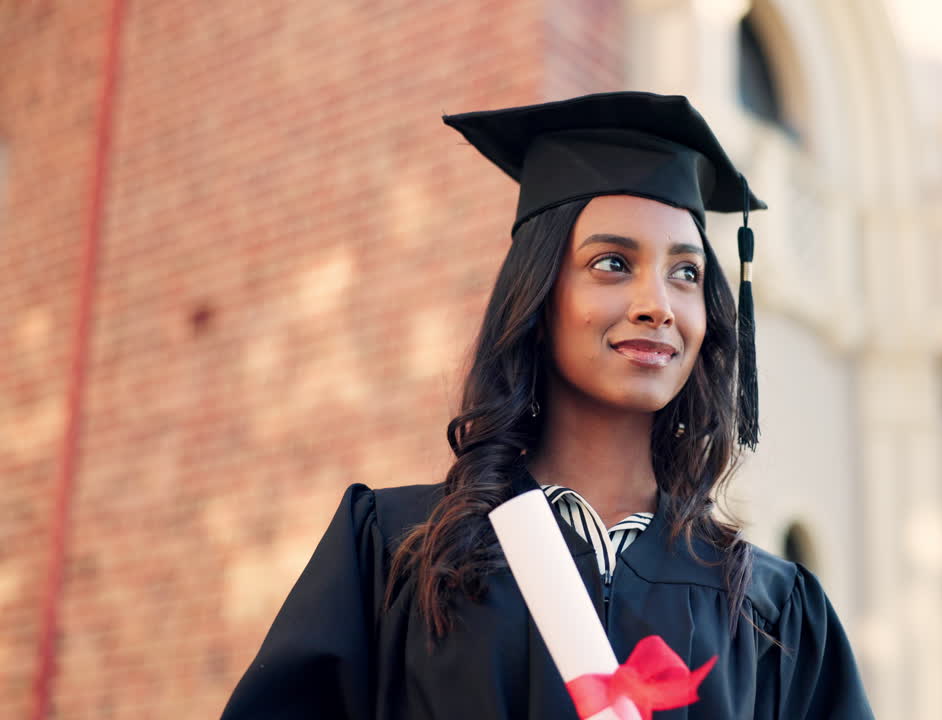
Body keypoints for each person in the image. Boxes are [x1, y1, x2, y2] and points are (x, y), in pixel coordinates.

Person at [221, 91, 876, 719]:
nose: (658, 303)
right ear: (538, 297)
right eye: (613, 263)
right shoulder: (392, 555)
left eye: (686, 273)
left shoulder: (770, 611)